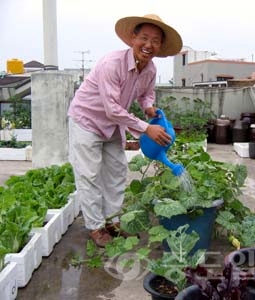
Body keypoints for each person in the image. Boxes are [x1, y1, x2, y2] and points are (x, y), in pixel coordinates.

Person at [67, 14, 183, 247]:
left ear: (160, 46)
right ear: (133, 38)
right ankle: (96, 227)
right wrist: (146, 128)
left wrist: (148, 106)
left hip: (113, 124)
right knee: (89, 175)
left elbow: (146, 92)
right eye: (144, 38)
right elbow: (112, 109)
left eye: (156, 40)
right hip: (87, 120)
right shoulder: (112, 64)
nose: (149, 45)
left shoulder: (150, 69)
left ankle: (112, 221)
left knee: (118, 171)